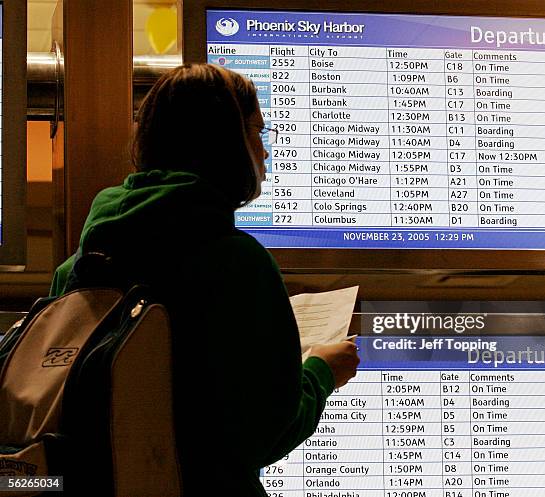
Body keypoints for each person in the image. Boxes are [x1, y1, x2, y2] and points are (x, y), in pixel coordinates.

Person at [50, 63, 360, 496]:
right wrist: (323, 371)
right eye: (257, 131)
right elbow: (264, 435)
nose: (265, 151)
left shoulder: (80, 266)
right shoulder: (235, 262)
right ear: (225, 142)